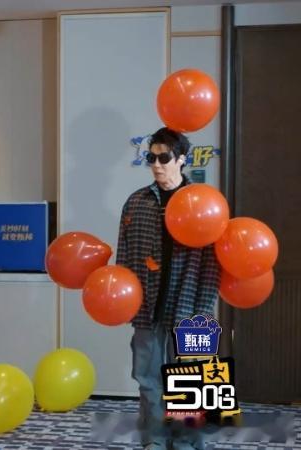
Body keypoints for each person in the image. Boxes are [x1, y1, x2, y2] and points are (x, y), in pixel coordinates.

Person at [116, 127, 221, 450]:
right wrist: (124, 302)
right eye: (152, 158)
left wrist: (203, 311)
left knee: (190, 381)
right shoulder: (136, 202)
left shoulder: (204, 204)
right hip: (146, 309)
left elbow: (213, 264)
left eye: (164, 158)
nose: (157, 165)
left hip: (192, 307)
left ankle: (187, 443)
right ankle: (155, 441)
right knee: (147, 380)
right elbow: (124, 257)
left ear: (182, 160)